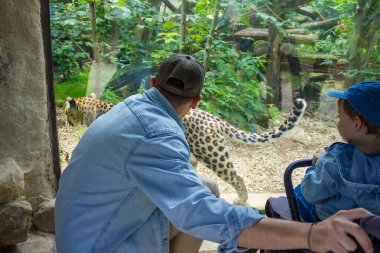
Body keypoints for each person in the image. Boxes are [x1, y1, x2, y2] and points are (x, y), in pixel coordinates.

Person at [55, 54, 374, 253]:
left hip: (85, 227)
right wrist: (311, 235)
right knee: (205, 207)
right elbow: (201, 213)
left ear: (154, 83)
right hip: (99, 244)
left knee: (208, 188)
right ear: (196, 101)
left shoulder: (132, 107)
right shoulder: (158, 135)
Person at [294, 81, 380, 222]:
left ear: (356, 123)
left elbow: (311, 193)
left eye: (340, 116)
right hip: (372, 232)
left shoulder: (338, 158)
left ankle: (278, 211)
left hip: (335, 227)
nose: (338, 121)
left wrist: (316, 166)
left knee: (300, 192)